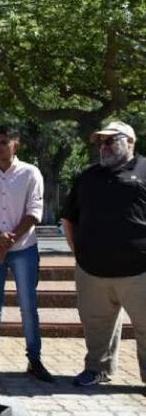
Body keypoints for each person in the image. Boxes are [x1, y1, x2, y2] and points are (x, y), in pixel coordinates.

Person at [61, 121, 146, 388]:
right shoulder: (87, 175)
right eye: (100, 142)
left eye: (110, 141)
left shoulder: (144, 170)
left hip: (139, 270)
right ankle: (97, 369)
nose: (103, 146)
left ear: (130, 142)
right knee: (97, 328)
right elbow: (69, 219)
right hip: (92, 272)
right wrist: (81, 257)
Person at [0, 126, 53, 382]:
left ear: (16, 144)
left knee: (28, 305)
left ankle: (34, 359)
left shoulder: (31, 173)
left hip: (24, 249)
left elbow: (34, 212)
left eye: (3, 142)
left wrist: (8, 242)